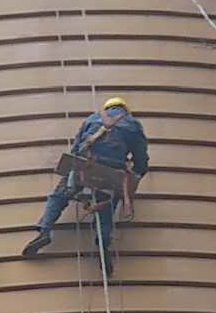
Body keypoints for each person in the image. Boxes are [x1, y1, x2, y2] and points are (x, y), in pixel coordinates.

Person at [22, 96, 149, 274]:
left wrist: (73, 169)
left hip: (85, 164)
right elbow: (141, 158)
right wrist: (135, 175)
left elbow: (76, 148)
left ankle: (44, 231)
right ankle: (103, 245)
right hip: (111, 171)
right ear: (125, 110)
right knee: (106, 205)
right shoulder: (133, 124)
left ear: (107, 108)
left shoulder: (92, 118)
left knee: (59, 196)